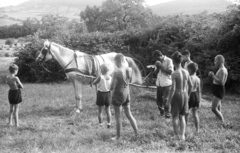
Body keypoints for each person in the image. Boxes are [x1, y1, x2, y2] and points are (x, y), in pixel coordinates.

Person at [110, 53, 138, 140]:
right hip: (127, 94)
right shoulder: (129, 69)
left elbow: (111, 86)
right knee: (129, 114)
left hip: (118, 94)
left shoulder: (116, 72)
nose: (116, 64)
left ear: (118, 61)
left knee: (118, 116)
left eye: (116, 62)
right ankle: (137, 133)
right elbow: (129, 80)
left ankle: (118, 137)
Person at [167, 51, 192, 140]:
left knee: (174, 116)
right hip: (185, 94)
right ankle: (183, 135)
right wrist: (188, 95)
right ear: (181, 61)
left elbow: (173, 89)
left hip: (177, 95)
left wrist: (168, 101)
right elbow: (191, 85)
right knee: (182, 116)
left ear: (173, 61)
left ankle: (176, 135)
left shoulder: (174, 73)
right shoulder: (186, 72)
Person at [150, 50, 173, 118]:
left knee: (166, 100)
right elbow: (155, 73)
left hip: (166, 84)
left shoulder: (169, 60)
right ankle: (161, 112)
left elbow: (170, 72)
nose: (157, 59)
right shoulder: (158, 62)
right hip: (159, 83)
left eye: (157, 58)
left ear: (160, 55)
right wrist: (157, 66)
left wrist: (161, 66)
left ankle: (167, 114)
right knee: (159, 101)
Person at [208, 55, 228, 123]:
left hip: (219, 89)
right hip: (218, 88)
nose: (214, 62)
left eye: (215, 61)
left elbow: (221, 81)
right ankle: (218, 118)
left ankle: (222, 121)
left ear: (220, 61)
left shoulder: (222, 70)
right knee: (218, 105)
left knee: (213, 108)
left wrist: (212, 76)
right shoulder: (222, 69)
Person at [93, 63, 112, 128]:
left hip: (101, 94)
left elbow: (94, 83)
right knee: (108, 110)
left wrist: (96, 78)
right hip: (108, 94)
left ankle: (100, 124)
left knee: (100, 111)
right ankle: (109, 123)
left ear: (101, 70)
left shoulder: (100, 77)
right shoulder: (110, 78)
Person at [185, 62, 201, 133]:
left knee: (186, 113)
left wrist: (187, 96)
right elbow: (199, 90)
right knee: (195, 114)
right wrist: (199, 99)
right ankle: (197, 130)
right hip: (196, 95)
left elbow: (189, 88)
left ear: (190, 70)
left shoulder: (190, 78)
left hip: (190, 95)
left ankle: (184, 129)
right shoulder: (198, 78)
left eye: (187, 70)